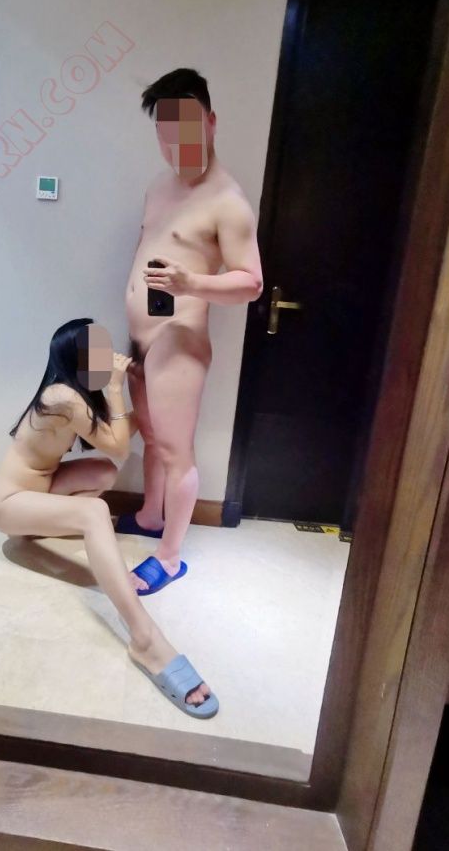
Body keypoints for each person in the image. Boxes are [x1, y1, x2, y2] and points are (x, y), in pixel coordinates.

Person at [0, 318, 218, 718]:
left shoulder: (74, 394)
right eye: (97, 351)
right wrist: (115, 386)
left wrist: (142, 393)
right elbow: (120, 446)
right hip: (7, 502)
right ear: (76, 356)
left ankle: (47, 525)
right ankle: (145, 638)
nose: (107, 357)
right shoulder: (61, 396)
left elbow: (117, 436)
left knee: (103, 474)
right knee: (95, 512)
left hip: (40, 488)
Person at [118, 68, 264, 595]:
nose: (175, 145)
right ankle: (150, 515)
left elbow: (251, 283)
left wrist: (191, 283)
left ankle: (170, 556)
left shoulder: (228, 202)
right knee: (152, 436)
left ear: (211, 122)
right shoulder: (160, 185)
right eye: (165, 133)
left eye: (186, 130)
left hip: (178, 340)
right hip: (142, 336)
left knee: (176, 450)